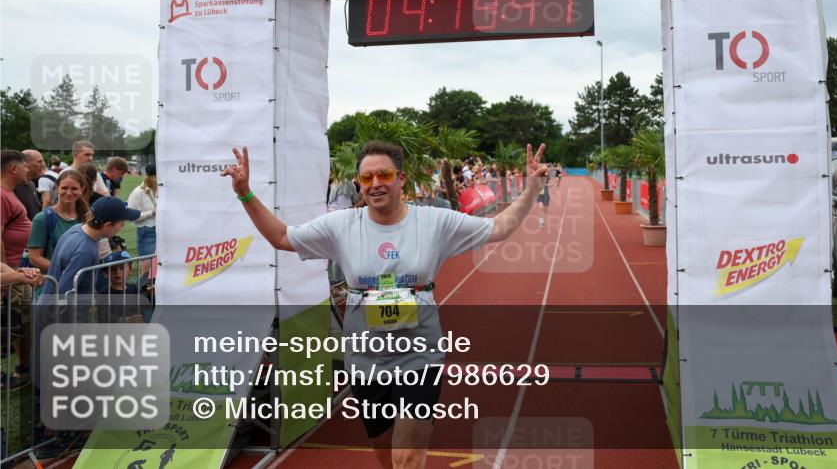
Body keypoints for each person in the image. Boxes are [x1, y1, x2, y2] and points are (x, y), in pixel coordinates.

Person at [222, 140, 548, 469]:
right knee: (384, 450)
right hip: (365, 360)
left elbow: (500, 227)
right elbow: (281, 237)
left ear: (401, 178)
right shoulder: (341, 225)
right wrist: (245, 193)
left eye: (384, 175)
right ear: (359, 184)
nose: (375, 184)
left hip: (420, 357)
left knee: (407, 457)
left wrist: (532, 188)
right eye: (367, 178)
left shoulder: (435, 222)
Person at [41, 197, 139, 296]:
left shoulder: (77, 228)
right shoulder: (85, 251)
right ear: (108, 225)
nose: (122, 226)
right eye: (122, 223)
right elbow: (65, 293)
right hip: (59, 309)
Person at [1, 149, 36, 388]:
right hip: (11, 273)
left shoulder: (9, 194)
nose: (28, 171)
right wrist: (6, 278)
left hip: (17, 270)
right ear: (14, 168)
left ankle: (25, 368)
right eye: (25, 166)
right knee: (11, 323)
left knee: (22, 321)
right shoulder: (2, 195)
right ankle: (22, 370)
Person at [27, 169, 88, 273]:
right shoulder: (42, 219)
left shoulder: (87, 217)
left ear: (82, 189)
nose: (69, 193)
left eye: (74, 188)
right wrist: (68, 271)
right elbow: (34, 258)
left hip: (82, 284)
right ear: (56, 188)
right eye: (64, 188)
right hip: (53, 284)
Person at [127, 164, 157, 278]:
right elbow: (131, 215)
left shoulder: (163, 190)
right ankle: (143, 292)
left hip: (163, 230)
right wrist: (151, 213)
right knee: (147, 271)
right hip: (147, 231)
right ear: (153, 177)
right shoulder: (138, 192)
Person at [14, 149, 46, 219]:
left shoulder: (32, 185)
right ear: (26, 164)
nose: (43, 165)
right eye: (39, 162)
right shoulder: (13, 186)